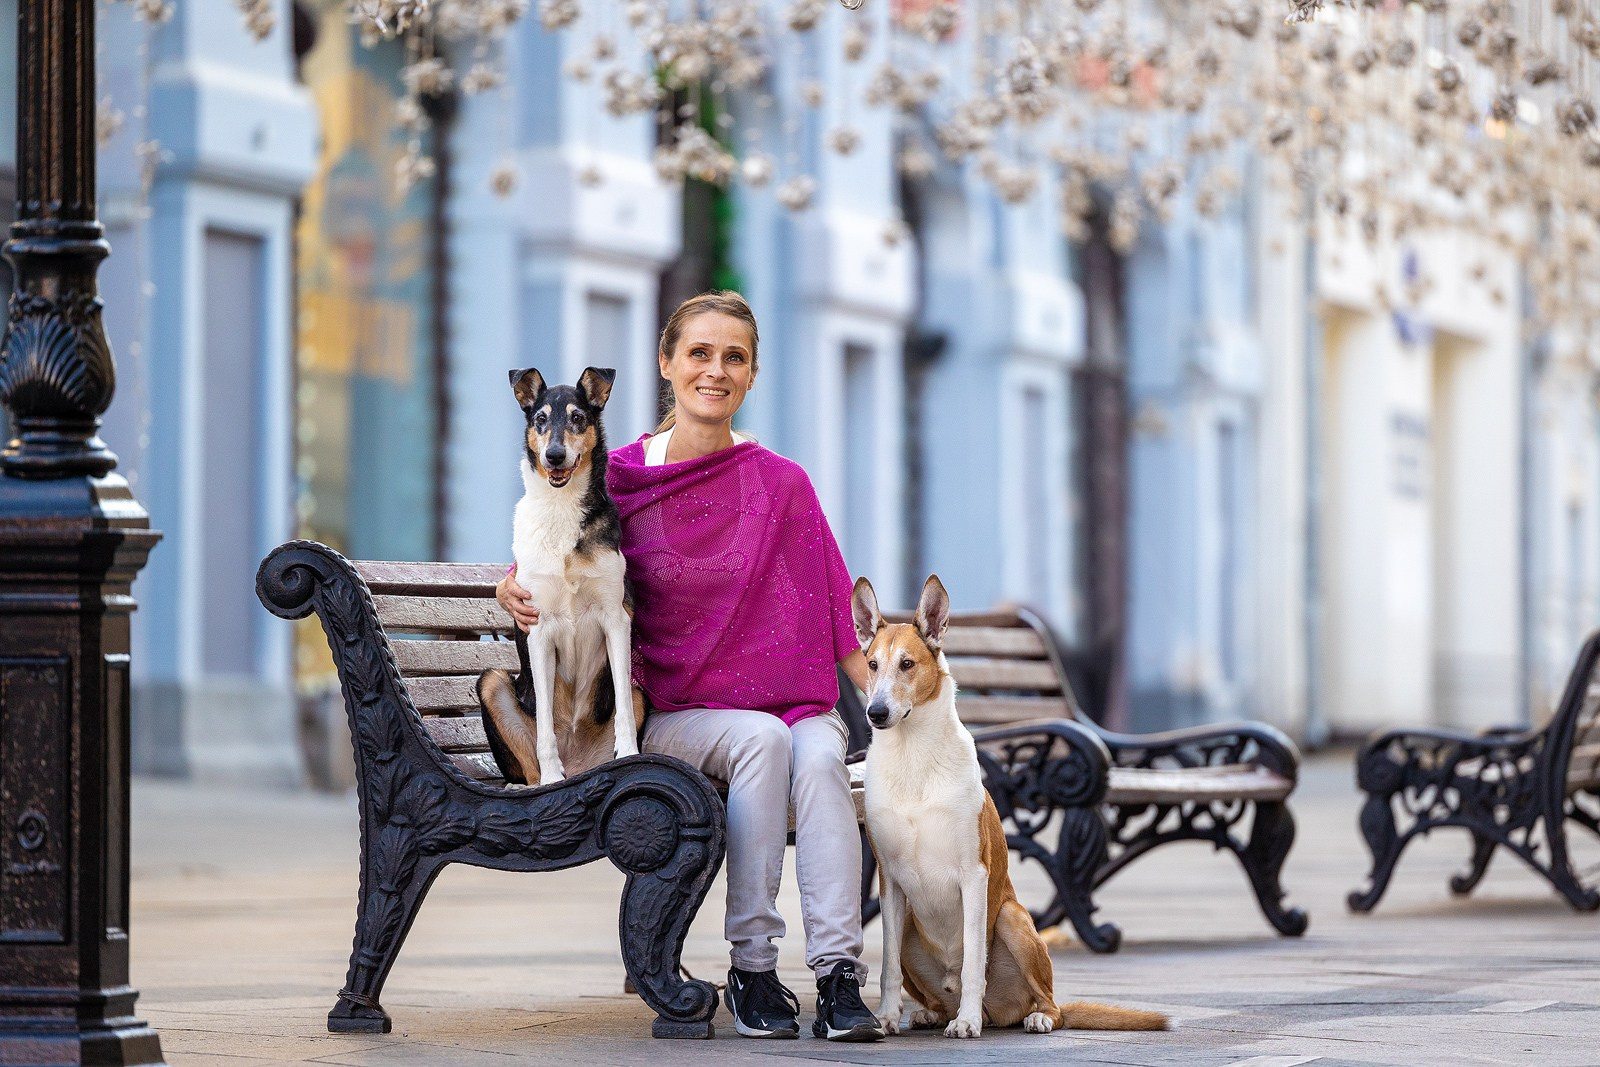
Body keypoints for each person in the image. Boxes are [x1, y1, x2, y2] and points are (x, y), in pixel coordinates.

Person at [495, 291, 884, 1043]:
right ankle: (755, 964)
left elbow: (839, 617)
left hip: (785, 702)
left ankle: (838, 973)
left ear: (753, 373)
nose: (716, 369)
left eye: (733, 356)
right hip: (665, 713)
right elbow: (551, 549)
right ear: (667, 364)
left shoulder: (783, 485)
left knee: (818, 747)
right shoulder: (622, 476)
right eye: (699, 352)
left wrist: (907, 722)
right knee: (762, 742)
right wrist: (506, 584)